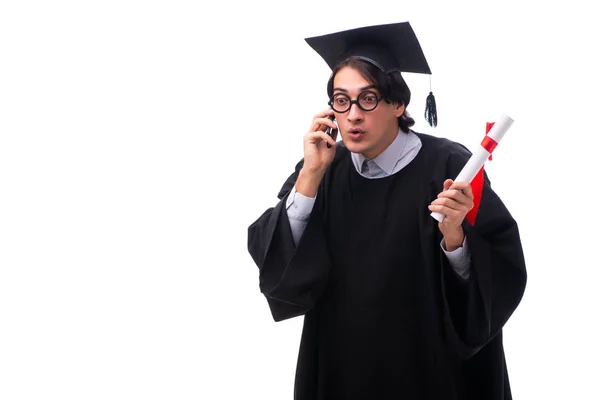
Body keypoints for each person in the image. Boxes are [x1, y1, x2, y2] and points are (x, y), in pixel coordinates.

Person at [247, 21, 527, 400]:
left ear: (398, 104)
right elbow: (279, 263)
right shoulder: (323, 169)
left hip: (430, 368)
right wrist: (310, 176)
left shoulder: (449, 166)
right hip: (343, 365)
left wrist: (455, 236)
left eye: (368, 99)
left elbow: (498, 274)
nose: (353, 115)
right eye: (341, 100)